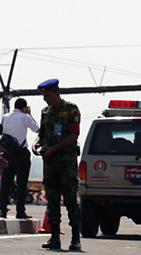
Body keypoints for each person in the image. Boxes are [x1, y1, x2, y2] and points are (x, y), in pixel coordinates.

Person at [34, 79, 82, 251]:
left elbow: (73, 135)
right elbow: (42, 134)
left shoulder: (71, 109)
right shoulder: (45, 112)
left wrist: (53, 149)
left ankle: (75, 238)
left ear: (56, 93)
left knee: (70, 200)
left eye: (47, 95)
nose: (45, 99)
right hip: (50, 162)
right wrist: (36, 144)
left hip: (66, 161)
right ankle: (54, 237)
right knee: (52, 200)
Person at [1, 98, 40, 219]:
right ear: (24, 107)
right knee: (21, 184)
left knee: (6, 183)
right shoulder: (25, 117)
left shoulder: (5, 117)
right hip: (21, 153)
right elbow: (37, 129)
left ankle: (2, 210)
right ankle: (20, 211)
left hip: (7, 153)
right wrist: (29, 114)